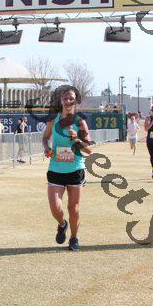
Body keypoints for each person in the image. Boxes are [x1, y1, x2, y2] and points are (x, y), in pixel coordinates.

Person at [42, 86, 93, 251]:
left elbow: (89, 149)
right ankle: (62, 224)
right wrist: (47, 148)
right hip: (56, 168)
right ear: (61, 100)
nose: (68, 101)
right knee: (55, 207)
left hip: (75, 169)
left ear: (76, 101)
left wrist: (77, 139)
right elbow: (45, 138)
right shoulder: (53, 120)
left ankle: (74, 238)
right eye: (66, 98)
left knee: (73, 208)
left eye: (71, 98)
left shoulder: (80, 122)